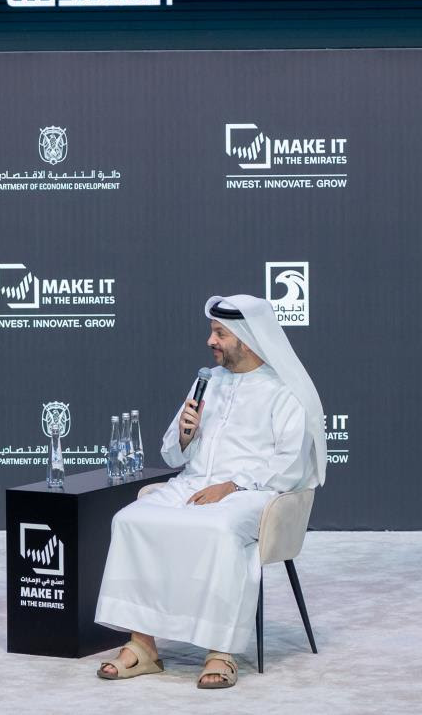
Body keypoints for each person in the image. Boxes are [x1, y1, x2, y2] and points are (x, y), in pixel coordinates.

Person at [93, 293, 326, 689]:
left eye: (220, 333)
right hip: (193, 482)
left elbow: (291, 464)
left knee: (219, 529)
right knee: (129, 520)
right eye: (212, 331)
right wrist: (186, 435)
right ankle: (143, 645)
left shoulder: (284, 391)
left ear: (246, 339)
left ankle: (220, 651)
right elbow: (172, 453)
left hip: (254, 492)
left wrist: (232, 485)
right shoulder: (208, 382)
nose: (210, 341)